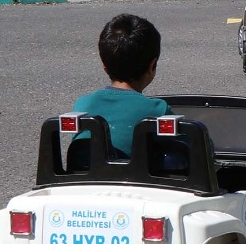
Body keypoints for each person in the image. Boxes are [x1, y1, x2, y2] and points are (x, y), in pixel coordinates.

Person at [71, 14, 171, 159]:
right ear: (152, 65)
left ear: (104, 66)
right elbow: (197, 150)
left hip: (86, 180)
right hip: (138, 181)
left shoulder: (83, 106)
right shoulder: (158, 110)